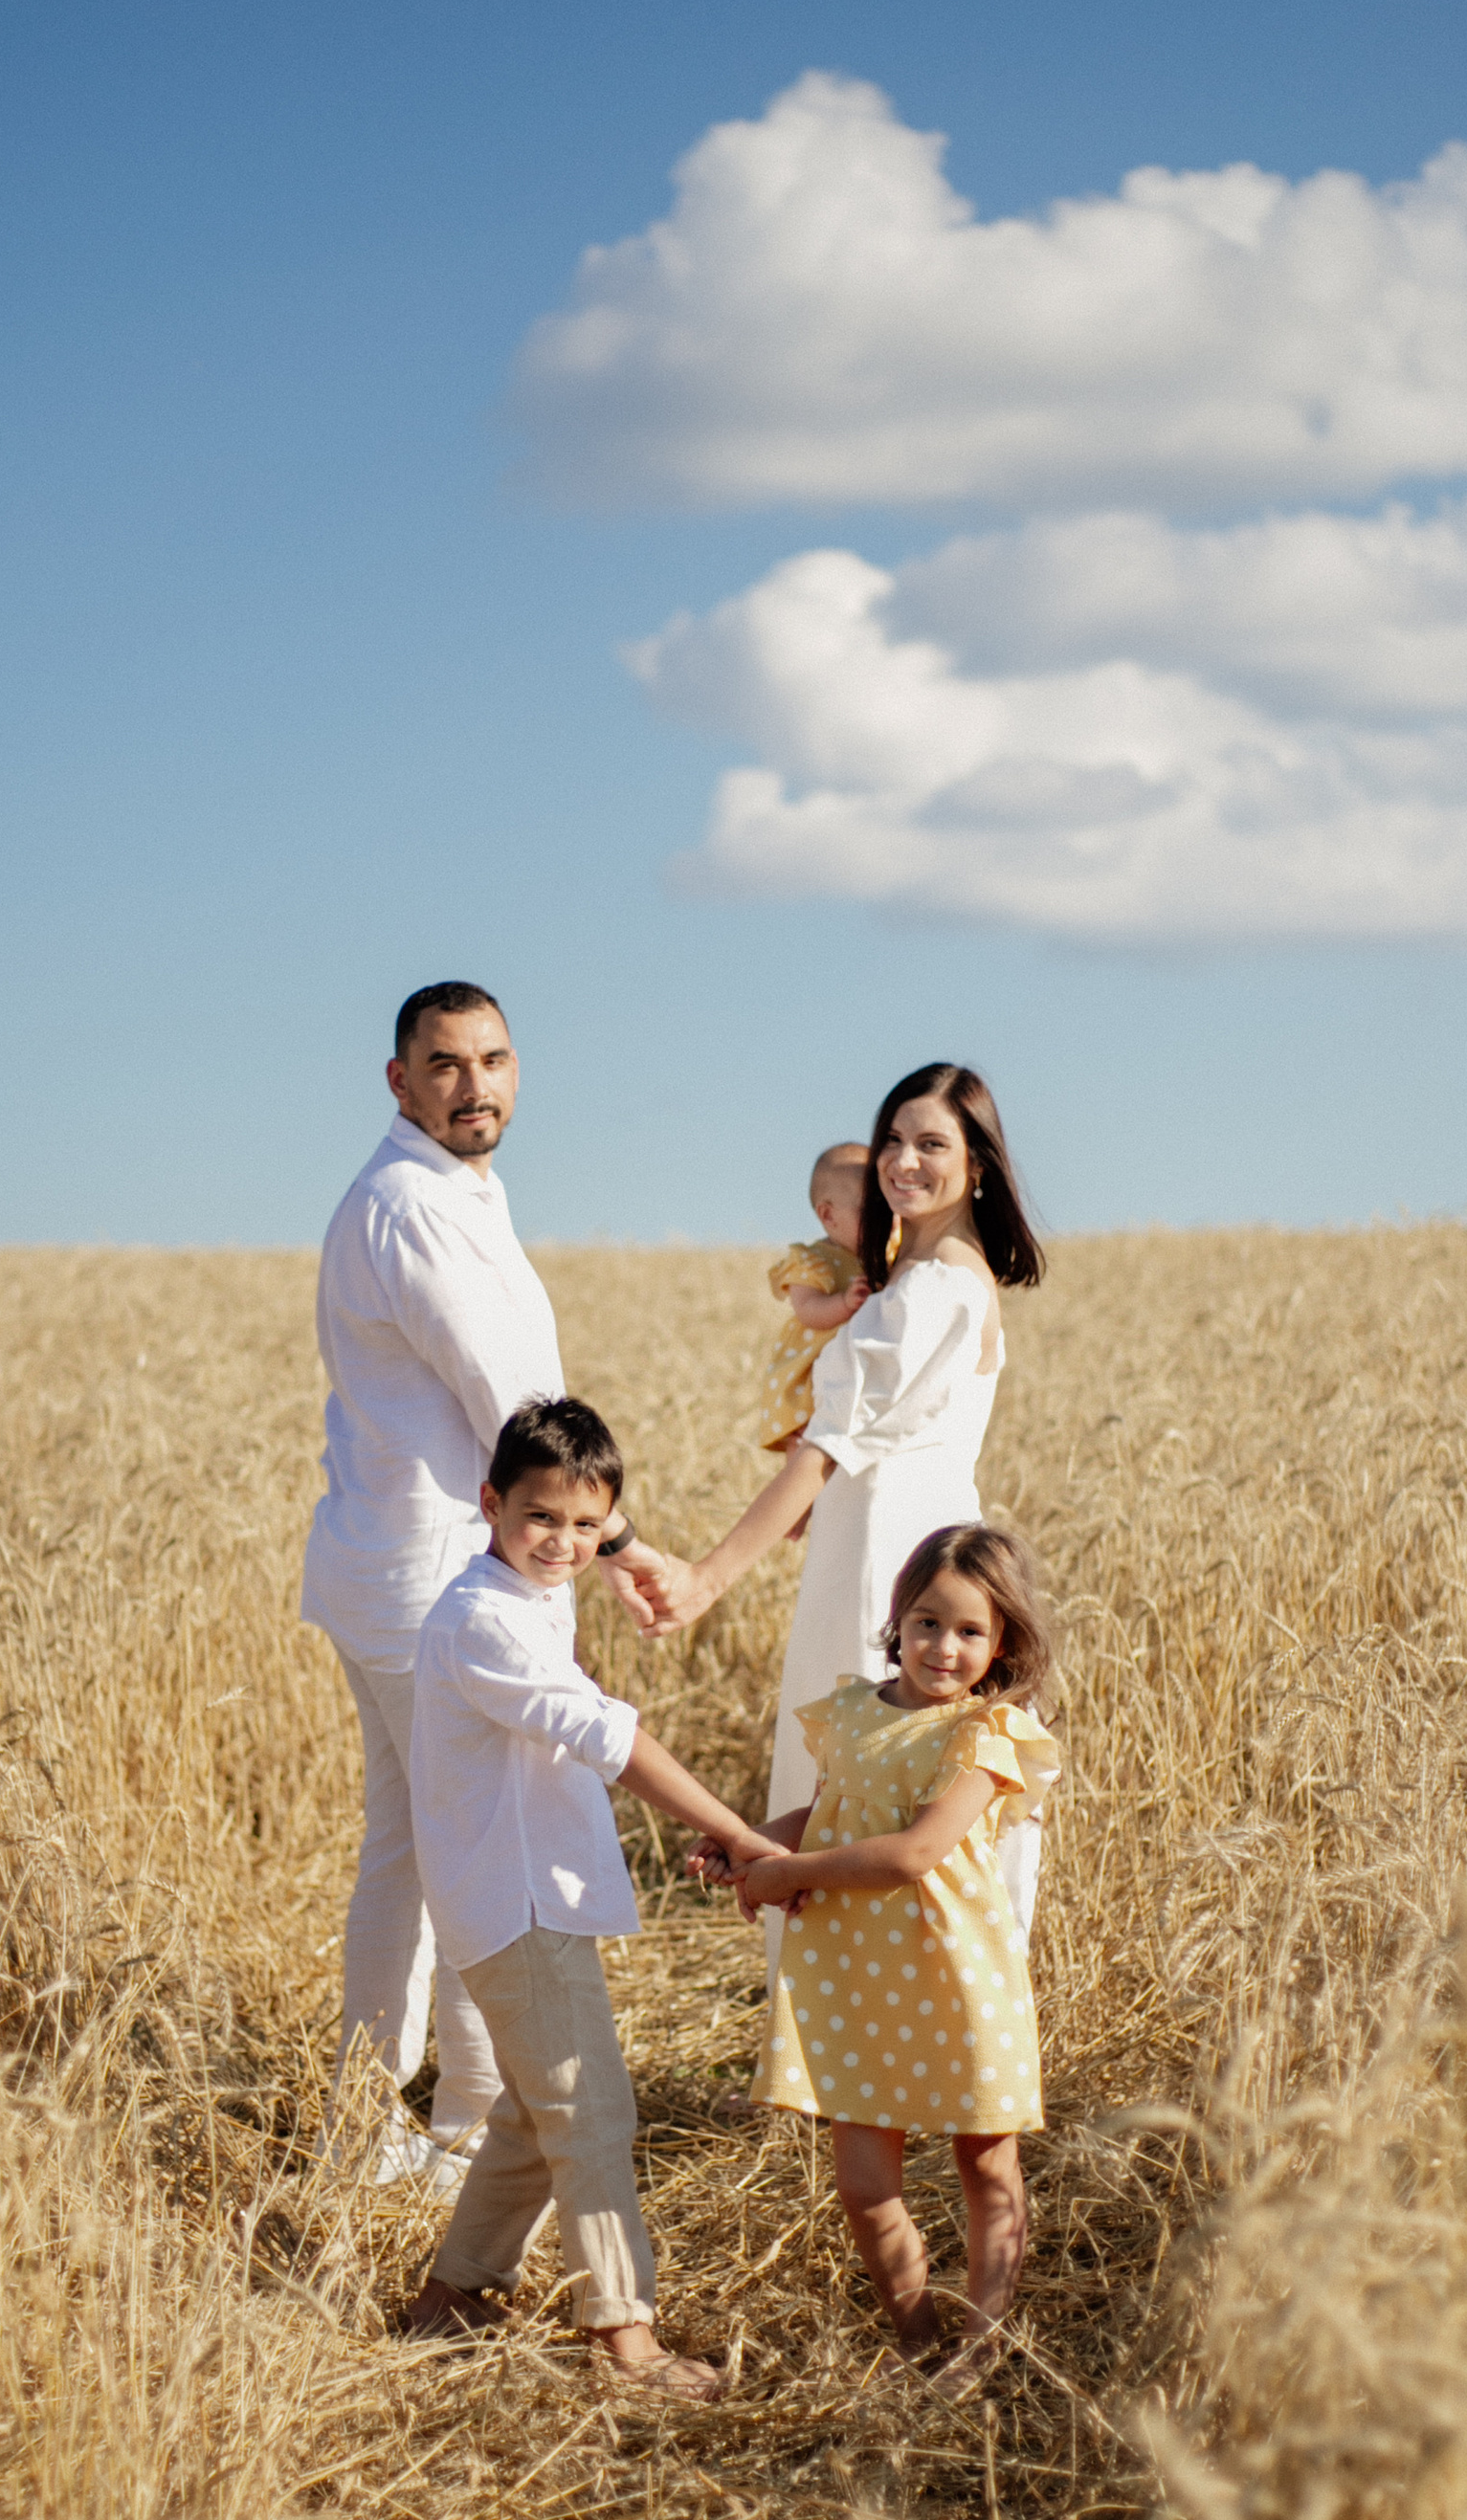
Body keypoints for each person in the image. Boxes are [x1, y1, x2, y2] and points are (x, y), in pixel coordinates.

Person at [300, 981, 663, 2186]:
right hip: (429, 1584)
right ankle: (460, 2118)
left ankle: (367, 2120)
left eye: (494, 1060)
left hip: (391, 1569)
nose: (476, 1086)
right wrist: (612, 1543)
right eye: (446, 1066)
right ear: (399, 1080)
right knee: (463, 1850)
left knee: (408, 1844)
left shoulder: (452, 1193)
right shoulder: (413, 1206)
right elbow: (514, 1409)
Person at [403, 1398, 767, 2398]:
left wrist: (623, 1545)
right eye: (539, 1519)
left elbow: (591, 1545)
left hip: (521, 1896)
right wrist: (732, 1831)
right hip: (512, 1902)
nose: (562, 1542)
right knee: (593, 2113)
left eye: (583, 1524)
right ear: (490, 1505)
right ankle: (624, 2341)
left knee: (534, 2110)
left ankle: (450, 2304)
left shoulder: (527, 1594)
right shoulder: (482, 1622)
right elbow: (609, 1740)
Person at [632, 1064, 1046, 1853]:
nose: (903, 1161)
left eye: (932, 1143)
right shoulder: (937, 1279)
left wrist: (702, 1580)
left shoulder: (929, 1292)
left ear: (979, 1166)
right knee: (893, 1789)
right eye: (893, 1139)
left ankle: (845, 1976)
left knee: (861, 1784)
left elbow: (829, 1448)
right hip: (917, 1542)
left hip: (886, 1559)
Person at [722, 1522, 1058, 2366]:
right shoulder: (850, 1714)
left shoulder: (988, 1734)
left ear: (1003, 1641)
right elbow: (835, 1815)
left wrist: (788, 1875)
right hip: (858, 1980)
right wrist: (750, 1846)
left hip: (958, 1976)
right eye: (928, 1622)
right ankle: (919, 2342)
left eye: (971, 1631)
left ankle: (983, 2350)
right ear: (898, 1620)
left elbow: (914, 1853)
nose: (944, 1647)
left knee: (986, 2169)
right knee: (865, 2188)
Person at [756, 1142, 870, 1452]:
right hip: (806, 1381)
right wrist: (843, 1304)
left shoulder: (884, 1257)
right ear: (828, 1214)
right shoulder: (813, 1260)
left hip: (848, 1381)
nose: (881, 1220)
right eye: (868, 1210)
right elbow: (807, 1310)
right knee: (805, 1453)